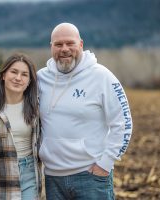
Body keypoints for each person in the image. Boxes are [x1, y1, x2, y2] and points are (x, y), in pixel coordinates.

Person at [37, 22, 133, 200]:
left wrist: (105, 164)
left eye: (70, 43)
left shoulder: (102, 76)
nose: (64, 49)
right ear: (51, 47)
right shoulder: (40, 78)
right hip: (52, 178)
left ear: (81, 44)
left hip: (90, 177)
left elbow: (124, 123)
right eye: (58, 44)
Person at [0, 53, 42, 200]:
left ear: (30, 80)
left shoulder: (36, 107)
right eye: (14, 72)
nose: (18, 78)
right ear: (4, 75)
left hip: (29, 170)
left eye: (24, 74)